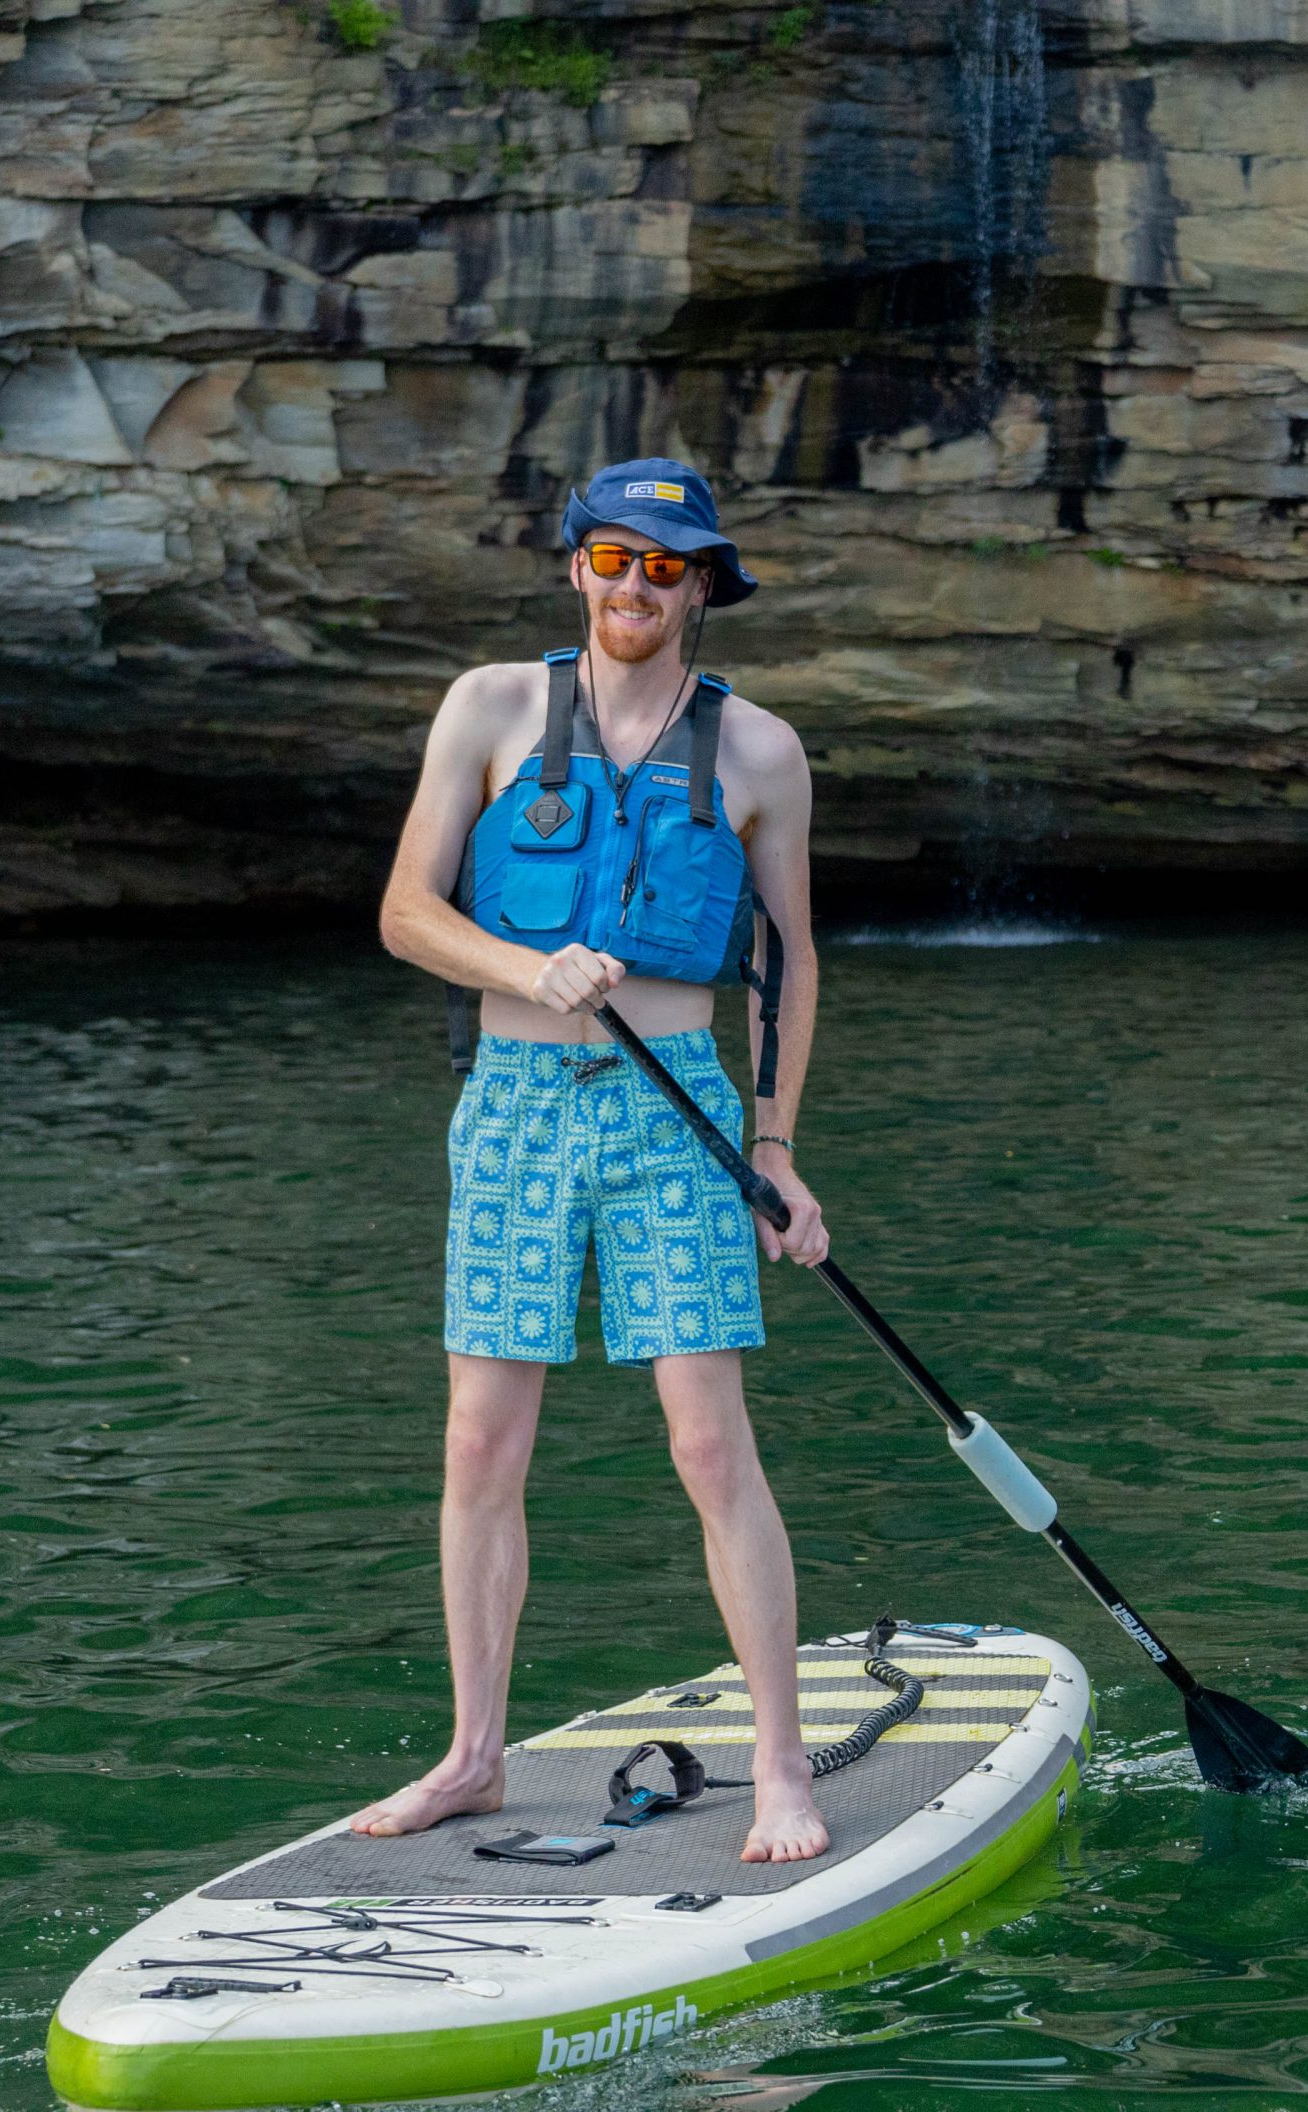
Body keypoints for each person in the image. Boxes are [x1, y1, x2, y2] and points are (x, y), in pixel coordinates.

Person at [366, 458, 833, 1864]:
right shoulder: (490, 708)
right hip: (512, 1101)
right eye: (615, 560)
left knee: (706, 1442)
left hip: (675, 1105)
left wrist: (776, 1146)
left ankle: (782, 1766)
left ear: (703, 589)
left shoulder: (762, 753)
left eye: (667, 567)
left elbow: (792, 963)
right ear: (577, 567)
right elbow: (402, 911)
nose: (638, 587)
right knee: (479, 1442)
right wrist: (523, 962)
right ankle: (472, 1758)